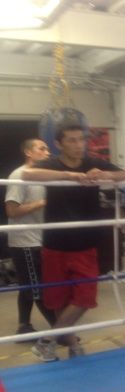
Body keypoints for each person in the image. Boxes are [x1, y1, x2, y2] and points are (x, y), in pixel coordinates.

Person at [22, 123, 125, 361]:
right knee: (58, 299)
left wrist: (106, 175)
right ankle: (72, 344)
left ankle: (47, 340)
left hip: (86, 243)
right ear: (59, 144)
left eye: (81, 139)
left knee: (85, 297)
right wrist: (69, 176)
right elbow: (27, 174)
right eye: (71, 140)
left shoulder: (93, 163)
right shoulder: (52, 164)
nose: (78, 145)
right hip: (55, 243)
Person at [5, 138, 57, 337]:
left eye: (47, 148)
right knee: (37, 287)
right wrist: (42, 202)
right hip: (25, 241)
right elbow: (12, 211)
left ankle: (23, 326)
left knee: (28, 284)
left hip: (39, 238)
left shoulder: (44, 176)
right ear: (28, 152)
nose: (47, 152)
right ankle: (61, 330)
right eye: (42, 148)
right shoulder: (19, 175)